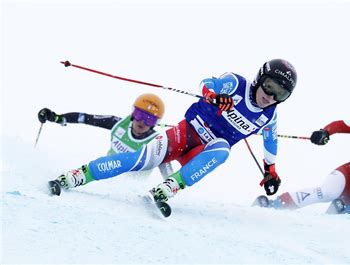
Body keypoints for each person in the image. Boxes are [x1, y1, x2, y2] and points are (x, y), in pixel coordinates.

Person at [48, 59, 298, 204]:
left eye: (281, 94)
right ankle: (76, 176)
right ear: (260, 79)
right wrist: (213, 96)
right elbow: (206, 83)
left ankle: (167, 189)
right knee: (136, 161)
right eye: (270, 86)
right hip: (186, 134)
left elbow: (270, 142)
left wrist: (271, 171)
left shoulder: (270, 116)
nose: (271, 96)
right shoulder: (236, 83)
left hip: (202, 152)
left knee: (222, 151)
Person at [39, 93, 174, 179]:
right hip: (106, 175)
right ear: (133, 113)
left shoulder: (158, 143)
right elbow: (85, 118)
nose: (142, 122)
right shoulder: (118, 123)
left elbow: (169, 175)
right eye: (139, 115)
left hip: (131, 189)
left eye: (149, 119)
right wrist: (56, 117)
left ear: (156, 123)